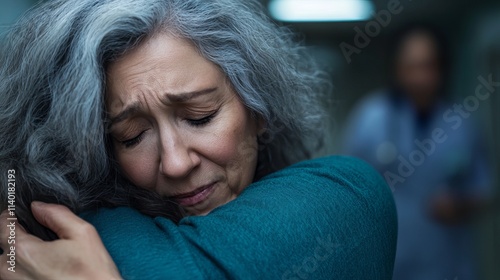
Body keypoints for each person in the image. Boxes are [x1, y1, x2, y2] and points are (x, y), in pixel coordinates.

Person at [0, 0, 397, 278]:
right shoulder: (83, 229)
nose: (175, 163)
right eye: (132, 136)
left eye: (200, 116)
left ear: (258, 109)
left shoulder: (344, 198)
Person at [343, 24, 492, 280]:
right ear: (396, 69)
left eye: (428, 66)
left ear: (442, 69)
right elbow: (346, 187)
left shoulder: (462, 123)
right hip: (388, 260)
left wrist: (461, 205)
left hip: (446, 261)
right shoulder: (370, 117)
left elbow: (485, 186)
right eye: (411, 67)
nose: (420, 78)